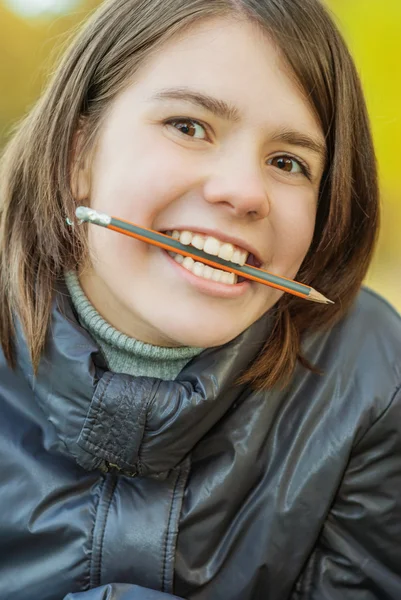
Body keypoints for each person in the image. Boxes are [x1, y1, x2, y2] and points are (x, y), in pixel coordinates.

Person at [0, 0, 400, 598]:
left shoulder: (373, 378)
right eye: (188, 126)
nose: (243, 192)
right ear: (78, 153)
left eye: (288, 162)